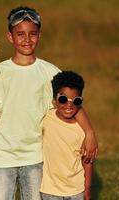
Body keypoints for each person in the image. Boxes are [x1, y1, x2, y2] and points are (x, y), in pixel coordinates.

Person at [0, 6, 97, 200]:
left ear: (39, 36)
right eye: (20, 34)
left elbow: (72, 104)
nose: (27, 39)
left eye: (32, 34)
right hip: (2, 157)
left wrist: (90, 133)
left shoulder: (51, 72)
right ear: (10, 37)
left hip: (36, 158)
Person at [41, 71, 93, 200]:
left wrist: (87, 188)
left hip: (76, 190)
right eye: (63, 99)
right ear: (54, 101)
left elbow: (87, 162)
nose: (69, 105)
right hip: (49, 190)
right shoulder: (46, 118)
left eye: (75, 100)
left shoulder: (82, 130)